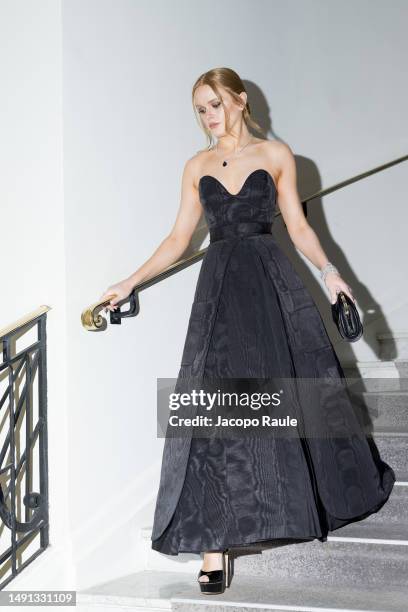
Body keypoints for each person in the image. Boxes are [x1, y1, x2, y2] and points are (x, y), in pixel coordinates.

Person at [100, 67, 395, 595]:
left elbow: (298, 226)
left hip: (270, 283)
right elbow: (178, 239)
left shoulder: (277, 157)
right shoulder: (196, 166)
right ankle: (214, 544)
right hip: (218, 291)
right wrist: (129, 280)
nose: (209, 116)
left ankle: (295, 498)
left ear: (240, 100)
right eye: (200, 109)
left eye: (215, 104)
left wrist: (331, 276)